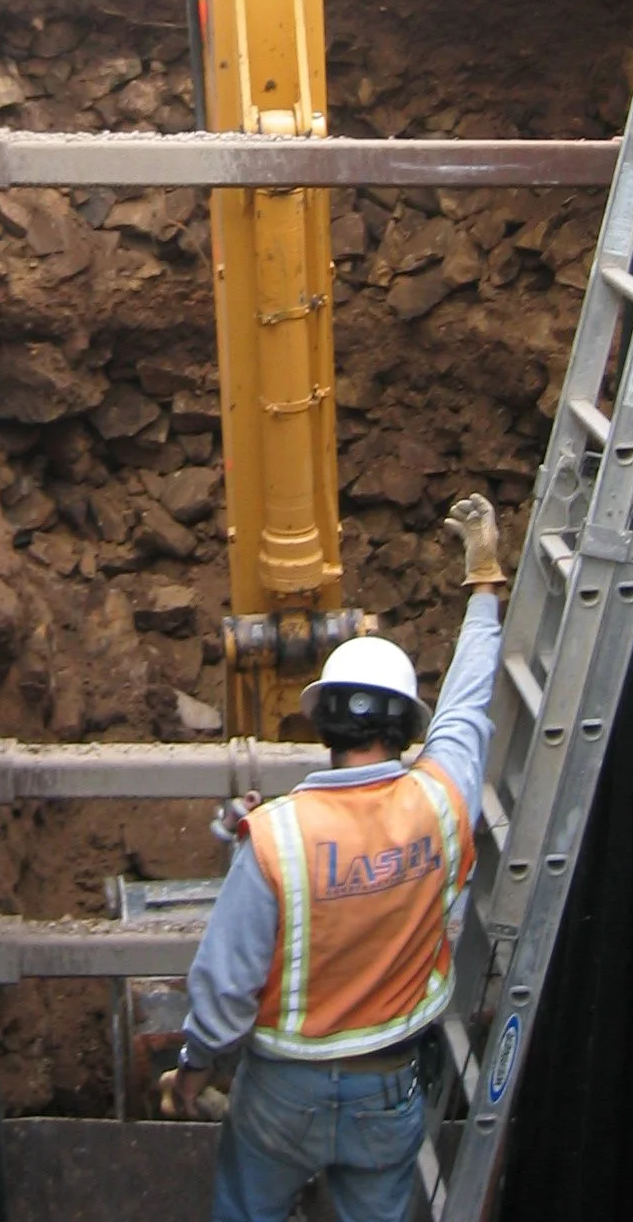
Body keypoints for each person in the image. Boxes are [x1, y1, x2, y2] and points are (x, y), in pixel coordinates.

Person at [168, 494, 507, 1222]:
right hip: (389, 1088)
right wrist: (483, 590)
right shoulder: (443, 804)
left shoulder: (277, 837)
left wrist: (196, 1068)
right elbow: (469, 705)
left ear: (322, 720)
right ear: (405, 723)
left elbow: (226, 987)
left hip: (280, 1092)